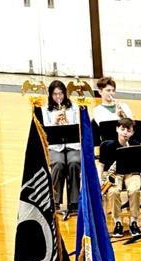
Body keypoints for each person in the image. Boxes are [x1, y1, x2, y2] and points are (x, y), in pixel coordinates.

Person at [42, 79, 81, 219]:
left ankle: (74, 203)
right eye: (55, 94)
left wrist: (67, 123)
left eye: (61, 94)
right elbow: (45, 130)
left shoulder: (74, 107)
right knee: (58, 164)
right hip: (55, 146)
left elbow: (78, 127)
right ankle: (56, 202)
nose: (58, 97)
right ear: (50, 95)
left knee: (74, 163)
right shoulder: (45, 110)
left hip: (72, 145)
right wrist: (55, 122)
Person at [98, 117, 141, 237]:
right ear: (117, 129)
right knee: (113, 191)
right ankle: (118, 222)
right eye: (123, 129)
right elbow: (101, 165)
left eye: (128, 130)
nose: (125, 133)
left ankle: (134, 221)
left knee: (134, 190)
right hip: (114, 174)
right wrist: (100, 180)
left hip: (132, 173)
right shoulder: (108, 146)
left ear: (132, 133)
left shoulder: (135, 145)